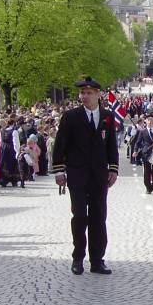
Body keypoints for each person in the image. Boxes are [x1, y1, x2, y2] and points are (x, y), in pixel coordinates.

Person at [51, 77, 119, 275]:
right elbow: (60, 145)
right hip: (77, 174)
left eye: (89, 93)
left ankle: (97, 260)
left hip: (99, 176)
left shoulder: (107, 116)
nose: (85, 96)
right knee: (79, 216)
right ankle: (78, 257)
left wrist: (113, 168)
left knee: (99, 217)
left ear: (98, 94)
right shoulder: (71, 116)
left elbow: (111, 146)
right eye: (82, 93)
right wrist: (59, 170)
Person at [132, 114, 153, 194]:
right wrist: (135, 150)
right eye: (149, 120)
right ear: (146, 121)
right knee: (147, 172)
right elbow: (138, 143)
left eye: (152, 120)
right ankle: (148, 188)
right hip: (146, 153)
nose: (150, 121)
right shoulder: (142, 132)